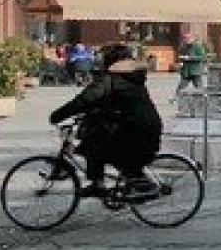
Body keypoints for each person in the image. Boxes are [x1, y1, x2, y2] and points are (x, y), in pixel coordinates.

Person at [48, 44, 162, 199]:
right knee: (96, 139)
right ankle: (99, 183)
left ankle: (113, 182)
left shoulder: (110, 79)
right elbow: (109, 101)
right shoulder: (132, 77)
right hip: (145, 130)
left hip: (137, 135)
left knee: (94, 144)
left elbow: (85, 99)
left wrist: (58, 115)